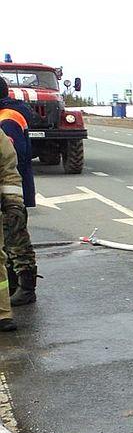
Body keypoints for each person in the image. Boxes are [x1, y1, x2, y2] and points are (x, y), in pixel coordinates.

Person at [0, 77, 38, 305]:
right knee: (7, 240)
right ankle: (13, 284)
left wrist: (11, 198)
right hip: (11, 188)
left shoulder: (7, 118)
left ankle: (26, 287)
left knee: (15, 238)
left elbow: (14, 156)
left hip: (10, 191)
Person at [0, 79, 27, 330]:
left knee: (5, 253)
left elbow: (9, 167)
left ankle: (3, 312)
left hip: (4, 202)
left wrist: (14, 204)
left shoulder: (4, 122)